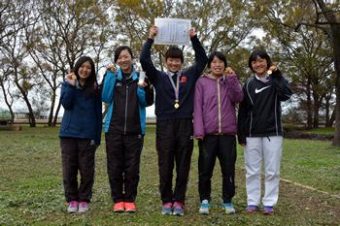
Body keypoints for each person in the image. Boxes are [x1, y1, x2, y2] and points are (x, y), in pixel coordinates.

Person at [140, 25, 208, 216]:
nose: (174, 63)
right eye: (171, 60)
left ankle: (179, 200)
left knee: (183, 164)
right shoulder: (159, 77)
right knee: (165, 164)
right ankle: (166, 200)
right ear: (166, 61)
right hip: (165, 125)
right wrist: (150, 39)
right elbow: (144, 60)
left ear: (181, 61)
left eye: (177, 60)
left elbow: (203, 60)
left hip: (185, 123)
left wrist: (194, 38)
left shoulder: (189, 75)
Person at [237, 50, 292, 215]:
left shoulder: (275, 81)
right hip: (252, 134)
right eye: (254, 62)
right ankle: (252, 202)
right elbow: (243, 111)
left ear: (267, 62)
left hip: (273, 133)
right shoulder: (248, 84)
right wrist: (241, 133)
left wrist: (278, 75)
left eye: (261, 61)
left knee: (272, 170)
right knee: (252, 170)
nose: (258, 64)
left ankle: (269, 203)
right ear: (251, 65)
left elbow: (286, 94)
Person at [101, 46, 153, 213]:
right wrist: (109, 75)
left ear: (132, 58)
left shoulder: (141, 76)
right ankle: (117, 199)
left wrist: (142, 87)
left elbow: (146, 102)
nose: (123, 60)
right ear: (116, 60)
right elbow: (105, 97)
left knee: (132, 167)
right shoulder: (112, 75)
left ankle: (129, 199)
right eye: (120, 57)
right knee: (114, 166)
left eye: (126, 56)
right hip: (113, 130)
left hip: (135, 130)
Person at [193, 51, 243, 215]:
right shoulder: (201, 82)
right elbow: (198, 109)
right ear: (209, 65)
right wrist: (199, 130)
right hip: (208, 135)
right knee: (205, 169)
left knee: (228, 169)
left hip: (228, 135)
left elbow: (238, 97)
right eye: (214, 62)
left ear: (225, 64)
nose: (217, 64)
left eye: (221, 61)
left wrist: (232, 79)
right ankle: (205, 200)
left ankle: (228, 200)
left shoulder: (229, 80)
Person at [59, 56, 102, 213]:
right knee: (69, 169)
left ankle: (84, 199)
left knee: (86, 169)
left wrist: (97, 137)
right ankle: (72, 199)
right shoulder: (67, 84)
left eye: (88, 67)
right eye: (82, 67)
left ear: (92, 71)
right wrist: (70, 86)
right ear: (77, 68)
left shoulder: (95, 88)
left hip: (87, 135)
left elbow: (98, 113)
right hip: (68, 134)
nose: (85, 70)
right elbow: (66, 104)